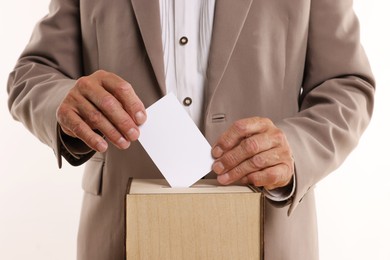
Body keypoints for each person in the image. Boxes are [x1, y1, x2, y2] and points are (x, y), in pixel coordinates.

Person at [7, 0, 375, 259]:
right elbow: (32, 73)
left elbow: (347, 83)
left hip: (268, 234)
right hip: (120, 238)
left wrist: (295, 147)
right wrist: (63, 102)